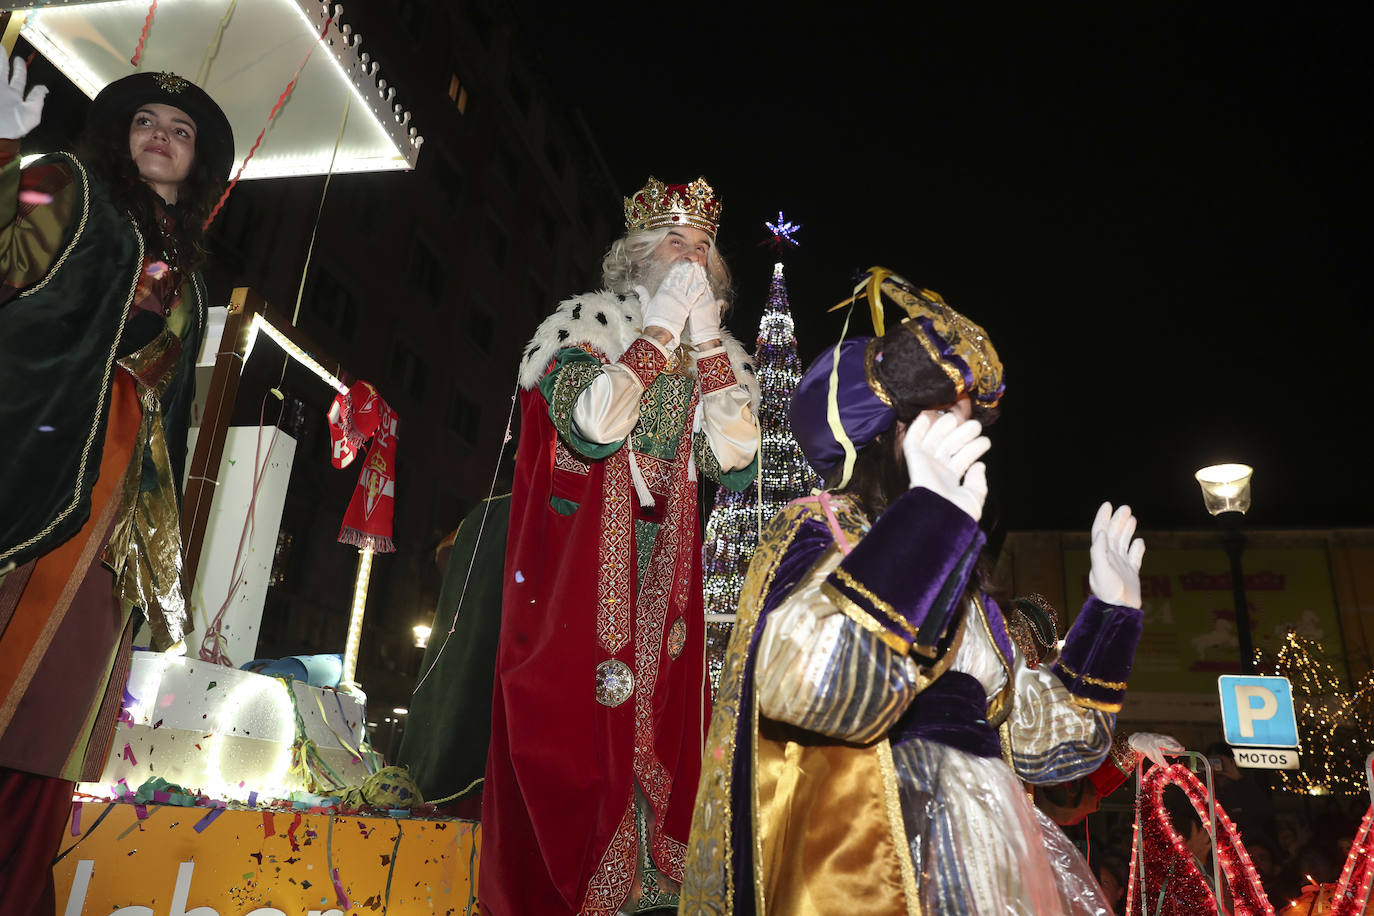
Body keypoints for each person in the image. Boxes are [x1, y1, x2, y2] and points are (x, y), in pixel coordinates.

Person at [681, 268, 1146, 915]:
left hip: (994, 850)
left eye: (970, 425)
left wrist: (1112, 617)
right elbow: (805, 684)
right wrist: (924, 529)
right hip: (876, 846)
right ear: (887, 433)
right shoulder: (823, 531)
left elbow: (1042, 742)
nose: (969, 441)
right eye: (942, 420)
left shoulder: (968, 585)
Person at [480, 177, 760, 915]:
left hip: (664, 572)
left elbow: (736, 456)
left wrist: (702, 344)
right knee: (582, 722)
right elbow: (594, 426)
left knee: (660, 714)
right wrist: (660, 329)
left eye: (704, 248)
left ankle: (651, 885)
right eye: (676, 242)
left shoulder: (713, 360)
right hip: (579, 568)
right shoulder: (584, 330)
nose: (692, 259)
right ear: (637, 258)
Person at [0, 61, 232, 913]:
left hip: (120, 512)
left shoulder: (197, 284)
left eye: (179, 129)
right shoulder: (71, 191)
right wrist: (6, 154)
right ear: (119, 141)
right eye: (144, 123)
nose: (160, 136)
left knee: (51, 721)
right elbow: (4, 251)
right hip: (31, 476)